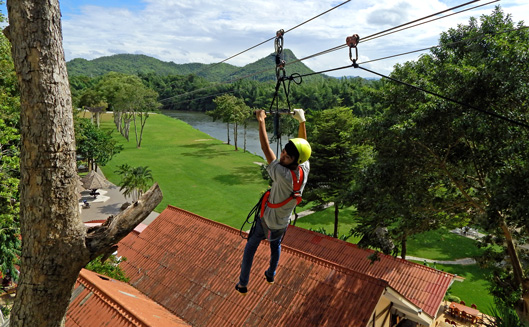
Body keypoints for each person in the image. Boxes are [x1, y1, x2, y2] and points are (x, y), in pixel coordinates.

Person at [236, 108, 311, 295]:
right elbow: (304, 144)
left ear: (295, 160)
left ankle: (243, 284)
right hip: (282, 222)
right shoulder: (304, 169)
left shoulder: (282, 173)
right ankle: (271, 274)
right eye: (283, 152)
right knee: (275, 245)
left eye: (287, 156)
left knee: (250, 247)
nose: (282, 157)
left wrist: (261, 121)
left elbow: (265, 148)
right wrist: (302, 122)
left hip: (266, 220)